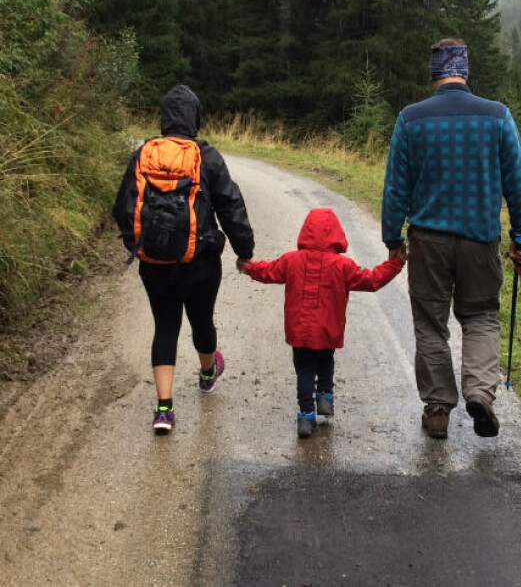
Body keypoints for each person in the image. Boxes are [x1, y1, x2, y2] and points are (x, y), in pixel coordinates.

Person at [381, 39, 521, 440]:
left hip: (429, 241)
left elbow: (396, 188)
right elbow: (518, 184)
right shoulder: (498, 117)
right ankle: (480, 393)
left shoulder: (411, 120)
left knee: (431, 324)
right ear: (464, 71)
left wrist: (392, 236)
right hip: (480, 240)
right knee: (481, 316)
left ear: (434, 74)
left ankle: (437, 411)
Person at [113, 85, 255, 434]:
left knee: (165, 326)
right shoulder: (206, 157)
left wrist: (140, 245)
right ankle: (208, 372)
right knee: (201, 320)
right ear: (195, 118)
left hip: (155, 264)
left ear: (164, 118)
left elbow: (123, 208)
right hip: (201, 262)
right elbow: (230, 206)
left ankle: (164, 409)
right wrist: (244, 251)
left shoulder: (143, 154)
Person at [240, 208, 404, 437]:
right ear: (336, 234)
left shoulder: (291, 260)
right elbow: (372, 280)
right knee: (326, 359)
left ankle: (306, 416)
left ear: (305, 232)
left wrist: (249, 268)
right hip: (328, 328)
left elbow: (269, 271)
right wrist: (394, 265)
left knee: (304, 370)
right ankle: (325, 396)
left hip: (300, 330)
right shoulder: (343, 266)